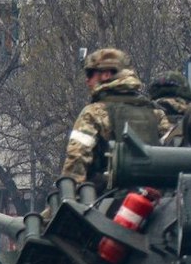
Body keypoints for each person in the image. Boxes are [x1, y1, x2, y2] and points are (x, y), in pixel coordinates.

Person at [61, 47, 170, 189]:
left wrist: (68, 190)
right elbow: (170, 155)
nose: (87, 80)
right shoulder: (156, 113)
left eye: (90, 73)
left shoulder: (93, 113)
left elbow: (76, 161)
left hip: (107, 196)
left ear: (106, 74)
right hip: (153, 196)